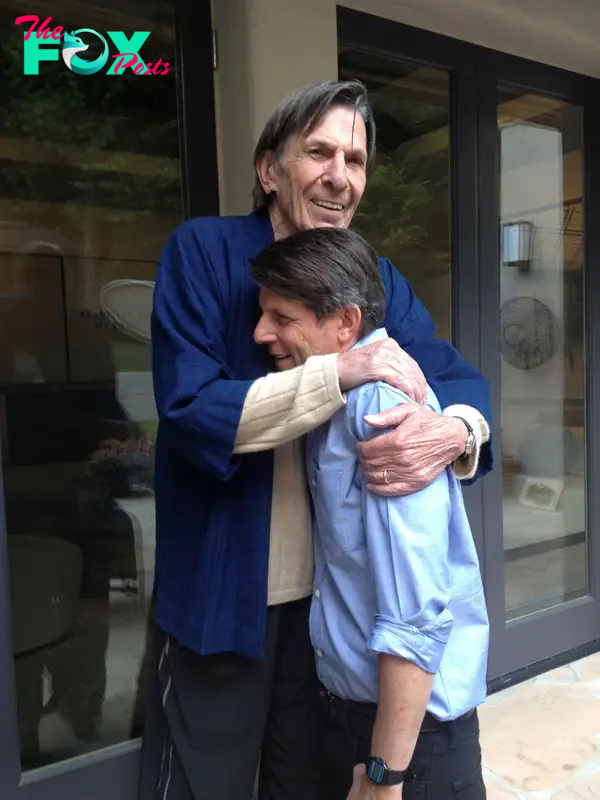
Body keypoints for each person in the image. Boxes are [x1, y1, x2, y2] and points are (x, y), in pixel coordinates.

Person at [139, 80, 492, 800]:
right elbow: (192, 410)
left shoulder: (372, 277)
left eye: (356, 160)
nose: (340, 175)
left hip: (329, 624)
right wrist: (341, 370)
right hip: (224, 601)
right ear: (269, 171)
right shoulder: (204, 254)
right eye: (320, 152)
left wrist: (454, 429)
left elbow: (457, 379)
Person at [250, 226, 489, 800]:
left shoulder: (382, 408)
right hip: (360, 722)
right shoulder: (332, 399)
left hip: (414, 747)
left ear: (346, 324)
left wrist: (385, 777)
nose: (263, 333)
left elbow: (416, 618)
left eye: (282, 317)